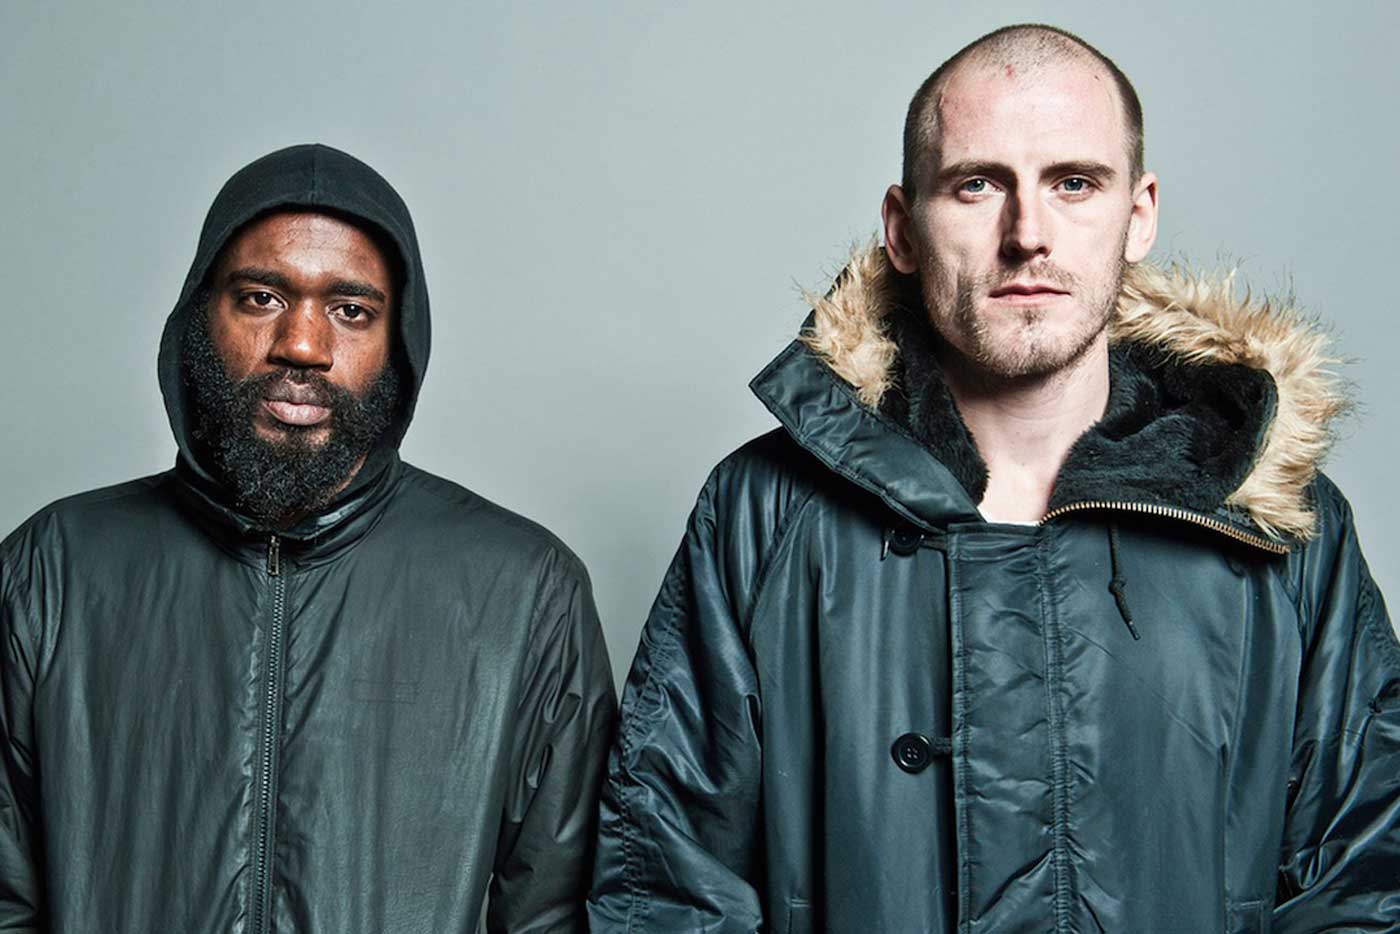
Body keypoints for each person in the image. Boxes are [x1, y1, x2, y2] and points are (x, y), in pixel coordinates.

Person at [589, 24, 1398, 932]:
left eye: (1074, 183)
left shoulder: (1272, 520)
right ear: (902, 229)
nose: (1028, 236)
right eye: (977, 185)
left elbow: (1365, 879)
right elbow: (668, 884)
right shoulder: (767, 510)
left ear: (1139, 215)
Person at [0, 144, 615, 932]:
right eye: (261, 298)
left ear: (399, 339)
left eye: (350, 310)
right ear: (200, 315)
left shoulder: (525, 591)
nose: (302, 344)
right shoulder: (52, 570)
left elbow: (554, 915)